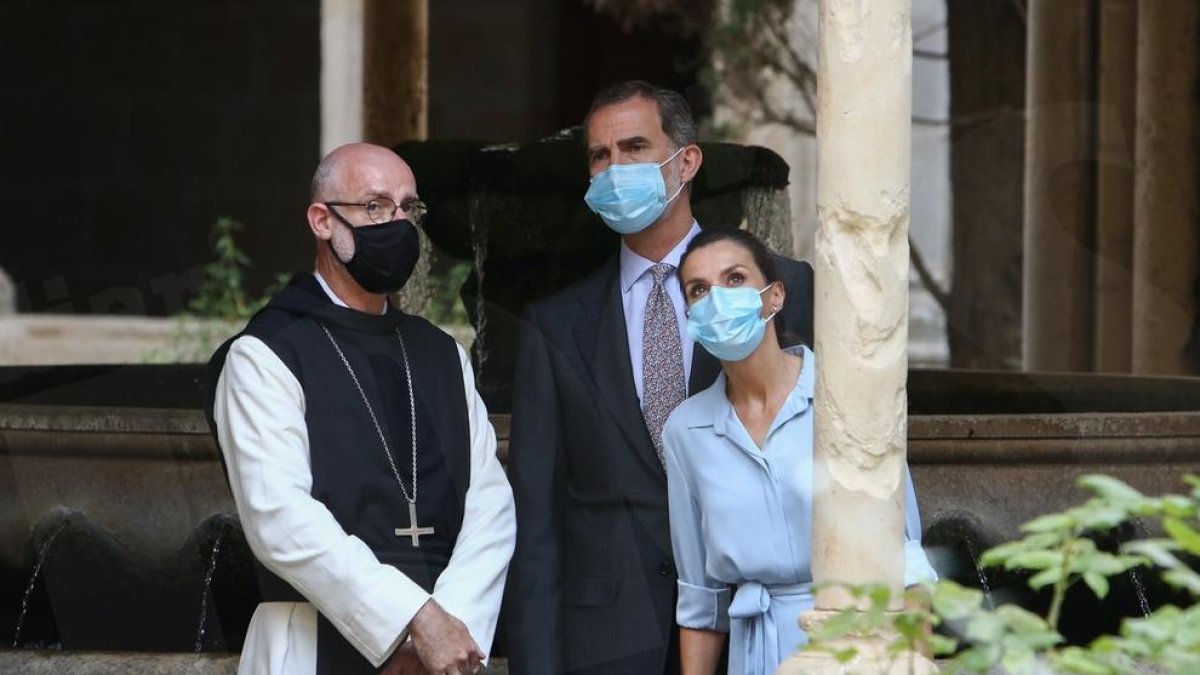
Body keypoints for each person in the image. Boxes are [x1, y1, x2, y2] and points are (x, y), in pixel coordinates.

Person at [502, 80, 814, 675]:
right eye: (600, 156)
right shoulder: (555, 325)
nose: (615, 168)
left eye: (635, 148)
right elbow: (536, 521)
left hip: (756, 633)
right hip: (607, 641)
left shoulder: (783, 288)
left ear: (687, 161)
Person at [205, 143, 515, 675]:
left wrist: (447, 627)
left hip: (442, 656)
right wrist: (409, 619)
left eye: (408, 208)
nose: (397, 223)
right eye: (375, 206)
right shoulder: (266, 353)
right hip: (309, 639)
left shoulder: (442, 355)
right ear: (322, 221)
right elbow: (279, 516)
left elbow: (491, 506)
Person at [663, 228, 938, 675]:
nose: (718, 299)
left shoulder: (845, 397)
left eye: (735, 279)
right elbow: (700, 598)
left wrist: (918, 663)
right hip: (754, 654)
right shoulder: (685, 430)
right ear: (690, 315)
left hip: (851, 645)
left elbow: (905, 563)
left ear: (775, 296)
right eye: (699, 289)